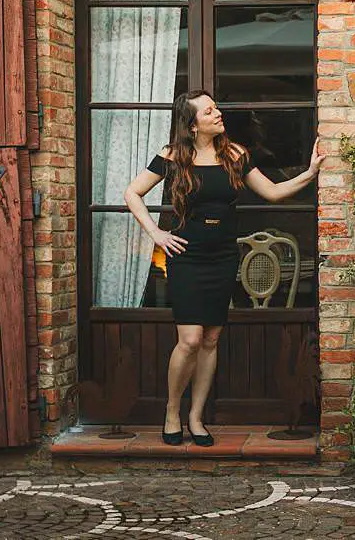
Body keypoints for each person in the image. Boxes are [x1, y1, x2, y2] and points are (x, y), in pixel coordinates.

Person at [123, 90, 326, 446]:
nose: (218, 113)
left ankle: (196, 417)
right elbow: (132, 193)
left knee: (211, 339)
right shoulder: (172, 156)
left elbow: (273, 192)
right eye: (209, 111)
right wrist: (156, 233)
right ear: (192, 124)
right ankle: (172, 411)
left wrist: (310, 173)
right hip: (187, 257)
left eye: (215, 107)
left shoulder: (235, 154)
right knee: (189, 340)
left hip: (223, 256)